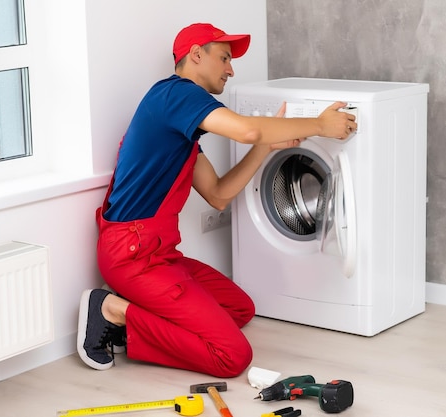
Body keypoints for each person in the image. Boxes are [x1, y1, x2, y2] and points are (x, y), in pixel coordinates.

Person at [77, 22, 357, 378]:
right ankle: (112, 310)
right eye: (224, 57)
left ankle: (131, 306)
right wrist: (317, 125)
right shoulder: (175, 93)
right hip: (133, 256)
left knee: (239, 309)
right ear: (196, 55)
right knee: (232, 357)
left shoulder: (181, 131)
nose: (231, 69)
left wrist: (263, 149)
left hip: (157, 254)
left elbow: (219, 195)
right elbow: (247, 128)